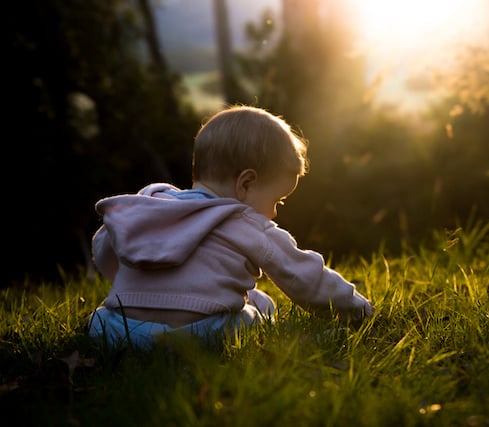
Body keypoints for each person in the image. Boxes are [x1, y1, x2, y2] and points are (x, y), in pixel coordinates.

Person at [87, 105, 374, 350]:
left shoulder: (151, 203)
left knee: (99, 318)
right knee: (250, 317)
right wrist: (358, 309)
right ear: (245, 183)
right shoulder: (242, 222)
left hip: (118, 330)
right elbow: (304, 275)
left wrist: (147, 283)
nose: (274, 212)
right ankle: (296, 336)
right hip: (199, 334)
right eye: (277, 200)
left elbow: (104, 248)